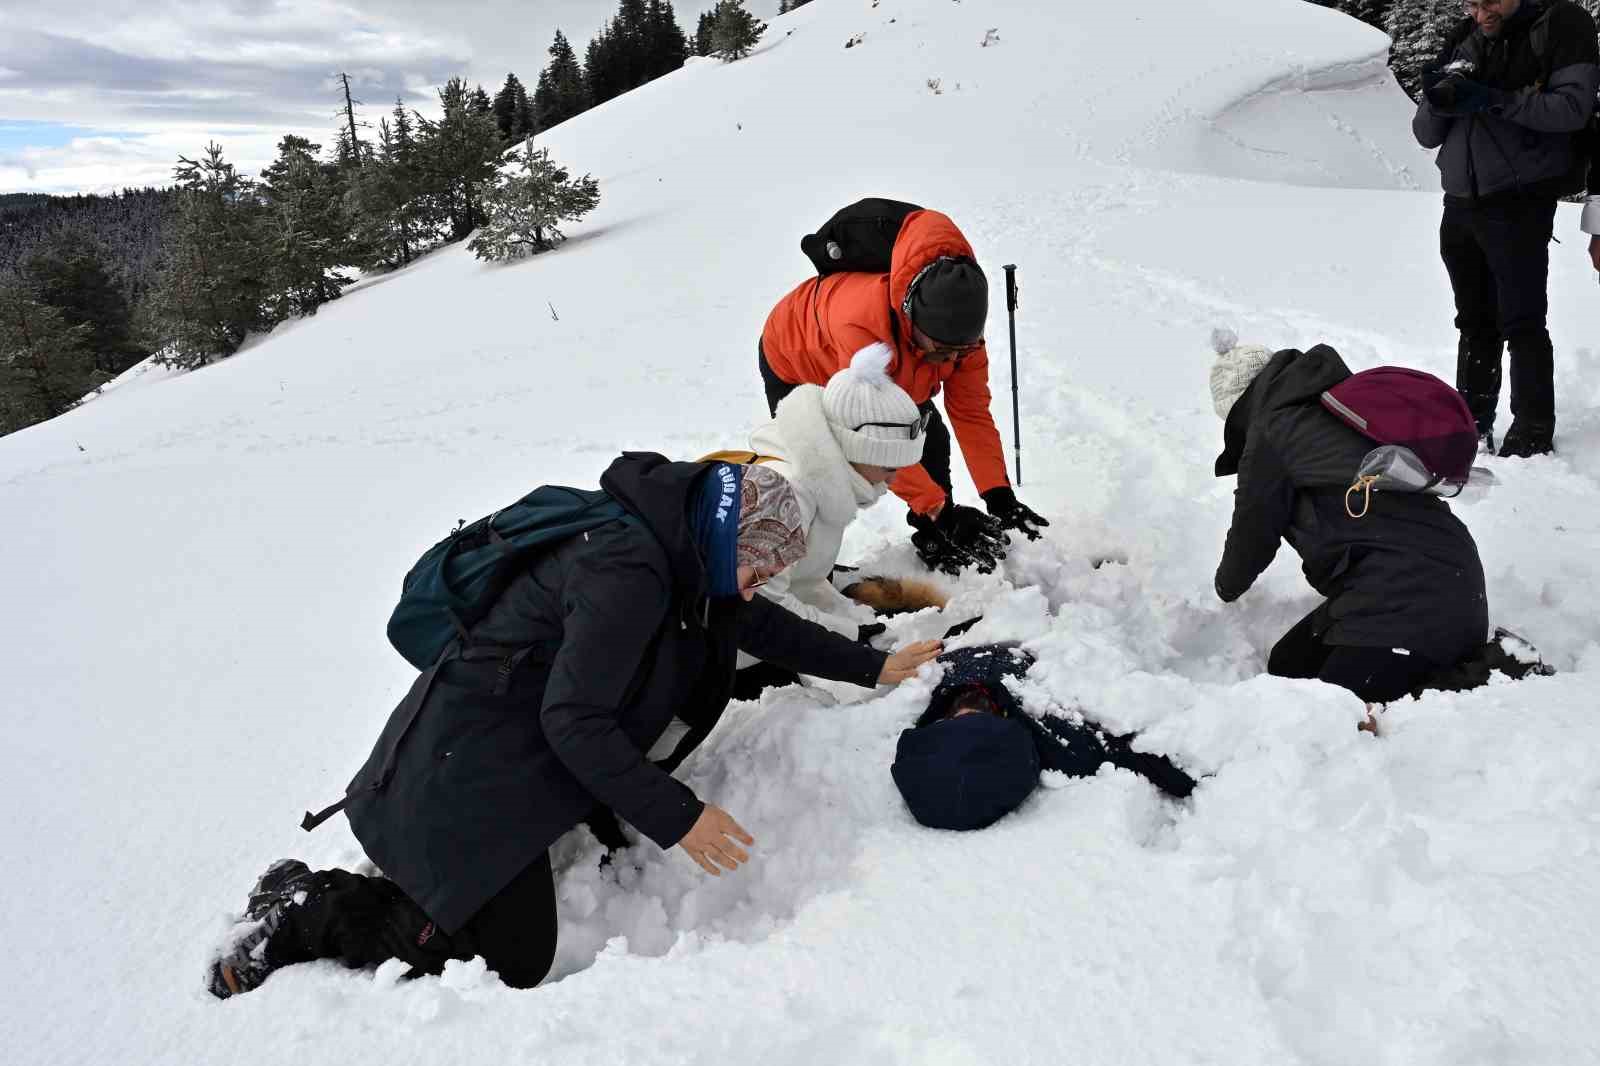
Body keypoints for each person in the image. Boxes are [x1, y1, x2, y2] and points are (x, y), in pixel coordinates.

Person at [207, 455, 942, 998]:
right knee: (501, 959)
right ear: (730, 542)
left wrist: (868, 667)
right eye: (756, 569)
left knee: (498, 928)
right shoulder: (628, 571)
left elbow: (760, 623)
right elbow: (573, 720)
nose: (754, 587)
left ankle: (406, 875)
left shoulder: (684, 554)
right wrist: (679, 818)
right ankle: (305, 907)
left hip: (503, 755)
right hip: (465, 766)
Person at [759, 207, 1049, 574]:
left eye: (962, 350)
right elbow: (879, 438)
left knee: (931, 438)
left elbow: (970, 412)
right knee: (821, 469)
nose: (951, 359)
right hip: (796, 359)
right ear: (910, 317)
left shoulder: (960, 339)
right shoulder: (862, 324)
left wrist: (999, 495)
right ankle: (805, 575)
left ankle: (934, 537)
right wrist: (940, 509)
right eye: (942, 350)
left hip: (893, 362)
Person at [1209, 338, 1489, 706]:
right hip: (1448, 584)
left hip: (1406, 604)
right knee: (1288, 667)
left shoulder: (1275, 432)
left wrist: (1223, 590)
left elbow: (1254, 530)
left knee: (1331, 712)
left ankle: (1486, 682)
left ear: (1237, 407)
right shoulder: (1336, 413)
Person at [1410, 0, 1600, 458]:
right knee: (1474, 321)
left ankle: (1532, 434)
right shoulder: (1464, 36)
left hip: (1518, 202)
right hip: (1459, 202)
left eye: (1488, 1)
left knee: (1522, 322)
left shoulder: (1559, 24)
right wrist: (1438, 100)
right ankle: (1469, 425)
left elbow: (1573, 109)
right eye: (1471, 4)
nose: (1480, 14)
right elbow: (1424, 133)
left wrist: (1494, 98)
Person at [718, 342, 929, 700]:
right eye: (889, 466)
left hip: (758, 632)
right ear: (857, 451)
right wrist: (850, 642)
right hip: (721, 644)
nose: (894, 481)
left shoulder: (823, 483)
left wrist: (852, 624)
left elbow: (803, 580)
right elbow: (759, 605)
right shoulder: (786, 495)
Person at [891, 645, 1196, 831]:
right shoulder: (1057, 739)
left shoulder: (919, 699)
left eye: (955, 725)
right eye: (979, 722)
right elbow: (1130, 750)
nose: (968, 710)